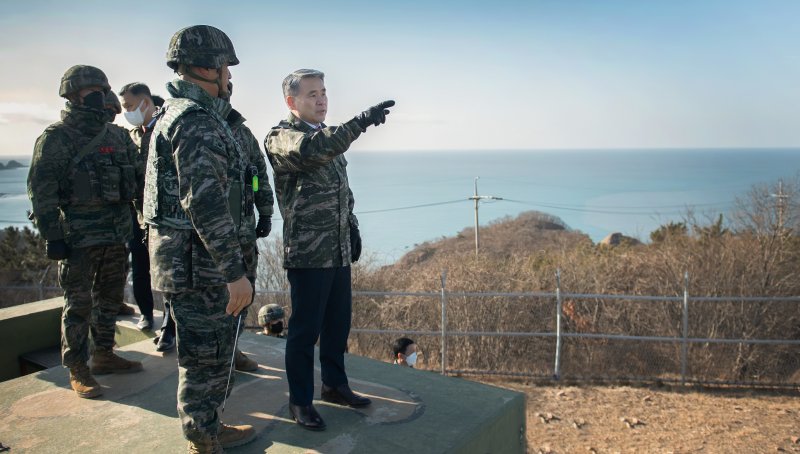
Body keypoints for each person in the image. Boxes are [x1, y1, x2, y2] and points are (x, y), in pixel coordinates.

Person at [143, 25, 256, 453]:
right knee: (204, 359)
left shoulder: (189, 115)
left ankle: (208, 426)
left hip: (197, 262)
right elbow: (206, 203)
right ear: (210, 67)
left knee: (214, 353)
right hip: (201, 267)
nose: (229, 75)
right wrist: (234, 273)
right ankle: (202, 439)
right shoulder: (195, 122)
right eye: (225, 66)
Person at [264, 68, 394, 431]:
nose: (321, 99)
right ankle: (301, 401)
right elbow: (313, 151)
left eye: (323, 92)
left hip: (336, 251)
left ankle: (335, 386)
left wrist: (350, 228)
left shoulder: (328, 135)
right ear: (291, 101)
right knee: (305, 332)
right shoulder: (282, 137)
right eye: (311, 94)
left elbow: (342, 191)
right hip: (308, 253)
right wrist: (361, 122)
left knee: (338, 325)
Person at [28, 65, 144, 399]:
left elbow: (138, 181)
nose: (103, 97)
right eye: (94, 90)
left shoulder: (118, 136)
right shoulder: (56, 138)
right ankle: (78, 368)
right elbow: (43, 191)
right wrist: (53, 236)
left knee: (109, 300)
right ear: (73, 95)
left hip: (115, 235)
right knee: (78, 305)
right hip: (77, 239)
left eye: (104, 89)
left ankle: (104, 354)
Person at [224, 81, 275, 371]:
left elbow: (258, 175)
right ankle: (216, 357)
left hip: (243, 232)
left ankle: (233, 349)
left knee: (245, 294)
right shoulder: (197, 128)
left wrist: (265, 211)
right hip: (207, 237)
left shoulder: (243, 134)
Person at [118, 82, 170, 342]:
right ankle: (147, 314)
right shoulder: (131, 136)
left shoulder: (167, 129)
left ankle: (170, 326)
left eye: (129, 106)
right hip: (137, 216)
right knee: (140, 268)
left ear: (145, 102)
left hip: (165, 217)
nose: (126, 111)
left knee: (170, 273)